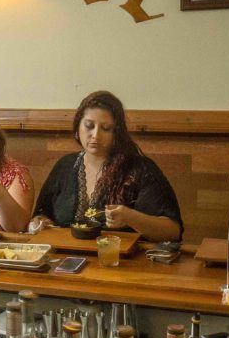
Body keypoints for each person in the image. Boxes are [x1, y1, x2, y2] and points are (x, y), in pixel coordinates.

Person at [32, 90, 182, 241]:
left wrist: (132, 218)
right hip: (66, 258)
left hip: (120, 260)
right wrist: (38, 223)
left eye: (106, 128)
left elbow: (173, 230)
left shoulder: (140, 169)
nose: (95, 135)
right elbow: (42, 213)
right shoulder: (65, 165)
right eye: (89, 126)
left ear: (116, 133)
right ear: (78, 128)